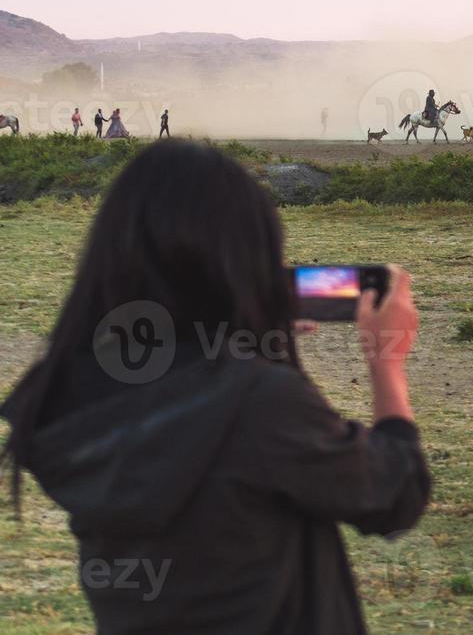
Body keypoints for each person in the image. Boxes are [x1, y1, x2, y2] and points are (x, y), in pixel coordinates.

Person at [0, 141, 429, 634]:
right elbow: (395, 496)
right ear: (234, 262)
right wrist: (386, 362)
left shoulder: (63, 395)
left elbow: (190, 425)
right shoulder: (260, 403)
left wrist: (246, 349)